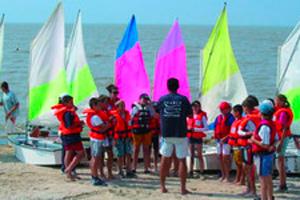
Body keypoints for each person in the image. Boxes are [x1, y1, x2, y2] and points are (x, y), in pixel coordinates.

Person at [158, 78, 192, 195]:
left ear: (167, 87)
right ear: (178, 86)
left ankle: (162, 186)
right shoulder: (183, 99)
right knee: (182, 160)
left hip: (167, 133)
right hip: (180, 132)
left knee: (164, 158)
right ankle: (182, 188)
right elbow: (190, 115)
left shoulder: (162, 99)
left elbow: (158, 113)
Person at [52, 95, 85, 181]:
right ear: (66, 103)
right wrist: (79, 124)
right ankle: (69, 169)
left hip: (68, 135)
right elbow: (69, 126)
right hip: (71, 135)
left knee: (69, 153)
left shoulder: (68, 111)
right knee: (80, 153)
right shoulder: (67, 113)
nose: (73, 104)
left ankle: (69, 174)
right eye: (71, 102)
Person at [249, 102, 276, 200]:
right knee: (268, 178)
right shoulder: (271, 124)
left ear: (262, 113)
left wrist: (253, 139)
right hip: (268, 155)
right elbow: (275, 139)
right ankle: (270, 197)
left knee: (263, 180)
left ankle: (264, 198)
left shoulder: (264, 127)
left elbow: (265, 144)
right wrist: (272, 146)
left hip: (262, 156)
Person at [83, 98, 110, 186]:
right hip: (97, 139)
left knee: (94, 158)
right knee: (96, 158)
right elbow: (103, 128)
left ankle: (94, 176)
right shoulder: (95, 117)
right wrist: (109, 124)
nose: (100, 106)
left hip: (95, 138)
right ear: (94, 106)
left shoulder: (94, 115)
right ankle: (95, 177)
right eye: (98, 105)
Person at [237, 98, 261, 197]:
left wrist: (247, 133)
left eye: (244, 107)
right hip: (249, 146)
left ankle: (252, 190)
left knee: (248, 168)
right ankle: (249, 188)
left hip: (249, 146)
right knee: (247, 168)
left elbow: (240, 131)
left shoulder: (250, 118)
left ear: (246, 107)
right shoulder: (257, 116)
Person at [274, 94, 293, 192]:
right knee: (280, 161)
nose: (275, 102)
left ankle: (282, 185)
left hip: (283, 138)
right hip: (283, 137)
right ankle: (282, 184)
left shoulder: (283, 113)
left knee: (280, 162)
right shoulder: (281, 111)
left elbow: (285, 128)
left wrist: (280, 143)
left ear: (281, 101)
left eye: (276, 100)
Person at [111, 100, 135, 178]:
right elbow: (112, 128)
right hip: (118, 137)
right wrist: (113, 139)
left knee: (129, 153)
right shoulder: (113, 116)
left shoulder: (127, 114)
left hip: (127, 137)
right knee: (120, 155)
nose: (123, 107)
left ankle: (129, 170)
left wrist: (131, 136)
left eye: (124, 105)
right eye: (121, 105)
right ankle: (120, 171)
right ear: (117, 107)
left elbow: (130, 126)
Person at [131, 93, 153, 173]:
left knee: (146, 149)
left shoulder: (149, 108)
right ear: (140, 99)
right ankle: (134, 167)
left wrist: (151, 105)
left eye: (147, 99)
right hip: (137, 131)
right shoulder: (135, 108)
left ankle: (146, 168)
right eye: (144, 99)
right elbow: (131, 119)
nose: (145, 101)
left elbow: (153, 115)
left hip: (146, 131)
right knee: (136, 149)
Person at [186, 100, 208, 179]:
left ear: (199, 107)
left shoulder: (202, 116)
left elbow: (206, 128)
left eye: (196, 106)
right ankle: (191, 171)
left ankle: (202, 172)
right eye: (193, 106)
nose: (195, 108)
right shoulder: (189, 116)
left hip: (198, 137)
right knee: (191, 155)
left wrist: (195, 129)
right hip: (190, 137)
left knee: (199, 155)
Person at [214, 101, 234, 183]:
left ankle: (227, 176)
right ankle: (223, 175)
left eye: (223, 109)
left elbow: (232, 131)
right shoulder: (218, 118)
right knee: (220, 157)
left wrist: (225, 138)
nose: (222, 110)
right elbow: (215, 128)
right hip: (219, 140)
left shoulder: (231, 118)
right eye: (221, 109)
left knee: (226, 158)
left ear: (228, 109)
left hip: (227, 141)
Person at [97, 95, 115, 180]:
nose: (108, 104)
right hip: (101, 136)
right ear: (101, 103)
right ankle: (101, 172)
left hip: (109, 135)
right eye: (106, 103)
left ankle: (109, 172)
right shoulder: (97, 112)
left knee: (110, 154)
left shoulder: (107, 111)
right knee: (101, 155)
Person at [227, 104, 245, 185]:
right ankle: (238, 179)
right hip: (234, 145)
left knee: (240, 164)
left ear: (237, 112)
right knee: (237, 163)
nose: (232, 113)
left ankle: (241, 179)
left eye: (233, 112)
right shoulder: (235, 121)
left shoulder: (241, 121)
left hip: (239, 145)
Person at [149, 102, 160, 173]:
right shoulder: (149, 115)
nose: (154, 108)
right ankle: (149, 165)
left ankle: (155, 165)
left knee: (156, 150)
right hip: (149, 134)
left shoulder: (158, 115)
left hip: (156, 134)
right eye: (154, 107)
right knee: (149, 150)